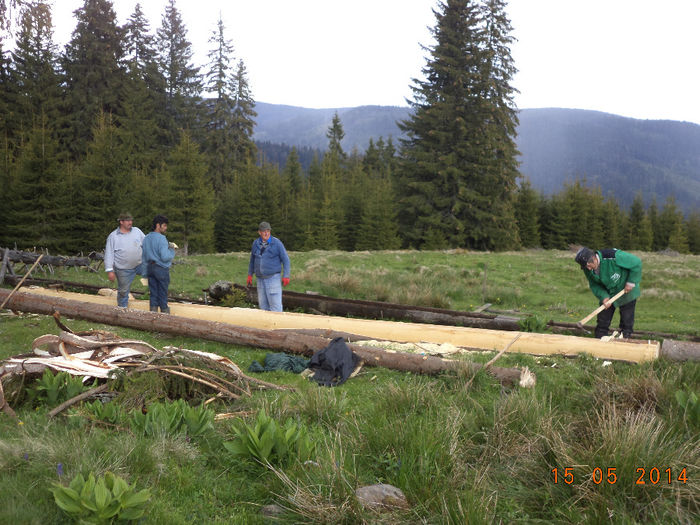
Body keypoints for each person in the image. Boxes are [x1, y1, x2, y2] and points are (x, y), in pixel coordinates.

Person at [574, 247, 642, 339]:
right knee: (602, 320)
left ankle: (625, 340)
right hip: (609, 293)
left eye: (589, 265)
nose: (588, 269)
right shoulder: (587, 268)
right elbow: (594, 285)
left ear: (594, 259)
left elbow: (636, 263)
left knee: (626, 320)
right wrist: (604, 297)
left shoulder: (613, 256)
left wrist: (631, 282)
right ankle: (600, 341)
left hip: (626, 290)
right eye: (586, 267)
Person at [247, 221, 291, 312]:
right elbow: (252, 260)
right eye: (264, 231)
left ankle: (278, 325)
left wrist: (286, 276)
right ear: (259, 232)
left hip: (273, 279)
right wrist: (250, 274)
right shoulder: (255, 244)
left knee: (276, 308)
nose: (266, 233)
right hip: (260, 280)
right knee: (263, 307)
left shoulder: (277, 243)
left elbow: (286, 260)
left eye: (268, 231)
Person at [104, 212, 145, 308]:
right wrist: (110, 270)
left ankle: (155, 301)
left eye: (131, 220)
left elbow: (146, 242)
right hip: (123, 269)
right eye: (127, 220)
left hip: (140, 265)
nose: (130, 222)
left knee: (155, 273)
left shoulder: (137, 231)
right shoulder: (113, 236)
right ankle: (122, 310)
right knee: (123, 291)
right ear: (121, 222)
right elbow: (109, 254)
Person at [141, 214, 176, 313]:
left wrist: (144, 274)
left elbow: (143, 257)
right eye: (164, 225)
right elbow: (165, 257)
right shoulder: (162, 238)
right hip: (161, 269)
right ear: (158, 225)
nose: (166, 228)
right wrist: (172, 250)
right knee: (163, 293)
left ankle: (153, 316)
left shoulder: (146, 238)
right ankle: (165, 316)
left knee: (153, 294)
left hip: (150, 268)